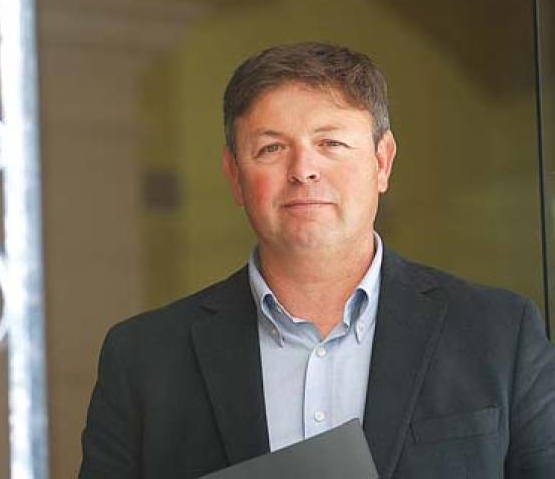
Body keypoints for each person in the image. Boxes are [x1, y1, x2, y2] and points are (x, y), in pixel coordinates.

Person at [79, 42, 555, 479]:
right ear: (234, 175)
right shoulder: (143, 359)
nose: (303, 169)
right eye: (271, 148)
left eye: (330, 143)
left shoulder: (499, 335)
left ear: (382, 161)